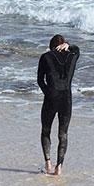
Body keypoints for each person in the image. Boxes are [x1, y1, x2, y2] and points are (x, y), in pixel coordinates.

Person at [35, 33, 80, 175]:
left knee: (46, 131)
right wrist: (70, 46)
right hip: (66, 98)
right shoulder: (72, 56)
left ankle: (48, 164)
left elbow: (40, 80)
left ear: (51, 46)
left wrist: (48, 93)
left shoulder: (45, 57)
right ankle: (59, 167)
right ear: (64, 45)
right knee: (63, 134)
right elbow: (77, 49)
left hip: (51, 97)